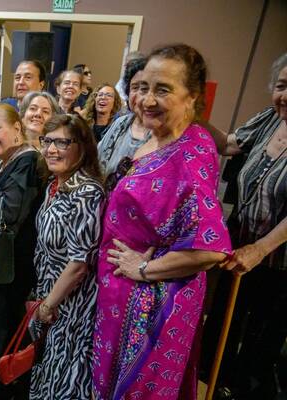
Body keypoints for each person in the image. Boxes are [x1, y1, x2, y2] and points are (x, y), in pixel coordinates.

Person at [92, 43, 231, 400]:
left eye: (163, 89)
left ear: (192, 97)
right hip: (120, 292)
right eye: (142, 87)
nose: (148, 99)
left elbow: (211, 249)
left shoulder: (191, 154)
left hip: (149, 305)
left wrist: (143, 269)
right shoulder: (160, 137)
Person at [200, 52, 287, 399]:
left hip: (279, 264)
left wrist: (261, 249)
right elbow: (228, 144)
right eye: (281, 86)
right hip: (238, 250)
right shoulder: (269, 119)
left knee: (259, 349)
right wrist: (190, 112)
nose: (285, 96)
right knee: (220, 333)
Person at [30, 114, 104, 400]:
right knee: (48, 370)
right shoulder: (57, 183)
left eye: (62, 142)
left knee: (65, 378)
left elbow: (78, 264)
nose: (51, 149)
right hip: (51, 294)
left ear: (82, 147)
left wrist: (49, 305)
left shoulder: (87, 193)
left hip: (72, 304)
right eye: (47, 141)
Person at [0, 103, 44, 400]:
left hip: (13, 265)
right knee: (0, 330)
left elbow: (7, 212)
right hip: (3, 262)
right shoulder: (8, 160)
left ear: (17, 128)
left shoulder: (27, 161)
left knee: (2, 332)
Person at [97, 56, 149, 182]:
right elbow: (98, 161)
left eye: (145, 89)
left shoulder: (162, 135)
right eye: (134, 87)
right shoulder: (120, 123)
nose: (139, 95)